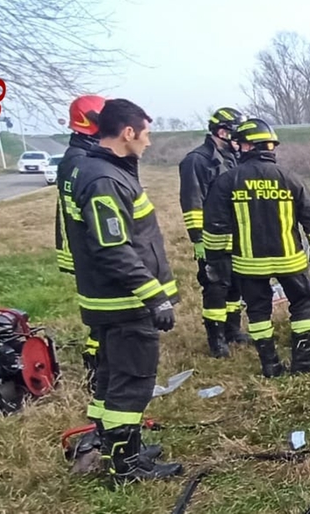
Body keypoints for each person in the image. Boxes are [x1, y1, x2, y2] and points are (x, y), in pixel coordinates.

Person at [65, 98, 183, 483]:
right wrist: (154, 295)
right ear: (127, 132)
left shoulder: (102, 168)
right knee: (132, 383)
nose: (148, 142)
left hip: (107, 300)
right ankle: (126, 467)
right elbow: (113, 248)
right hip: (126, 302)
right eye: (146, 134)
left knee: (111, 378)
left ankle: (119, 447)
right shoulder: (104, 180)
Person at [201, 118, 310, 378]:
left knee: (258, 311)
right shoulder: (289, 178)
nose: (237, 148)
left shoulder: (229, 180)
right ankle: (303, 359)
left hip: (248, 263)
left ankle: (270, 364)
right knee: (303, 304)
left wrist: (216, 262)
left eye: (240, 144)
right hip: (290, 260)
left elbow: (215, 225)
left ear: (249, 146)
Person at [178, 107, 249, 359]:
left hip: (236, 235)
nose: (241, 140)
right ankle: (216, 340)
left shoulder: (233, 157)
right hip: (212, 237)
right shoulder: (197, 160)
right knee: (216, 287)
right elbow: (192, 202)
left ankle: (233, 331)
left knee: (235, 286)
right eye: (236, 134)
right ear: (222, 132)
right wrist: (198, 239)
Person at [54, 94, 106, 394]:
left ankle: (99, 363)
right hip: (88, 249)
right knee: (102, 315)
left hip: (87, 247)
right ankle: (96, 368)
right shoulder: (80, 161)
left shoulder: (82, 154)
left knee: (102, 317)